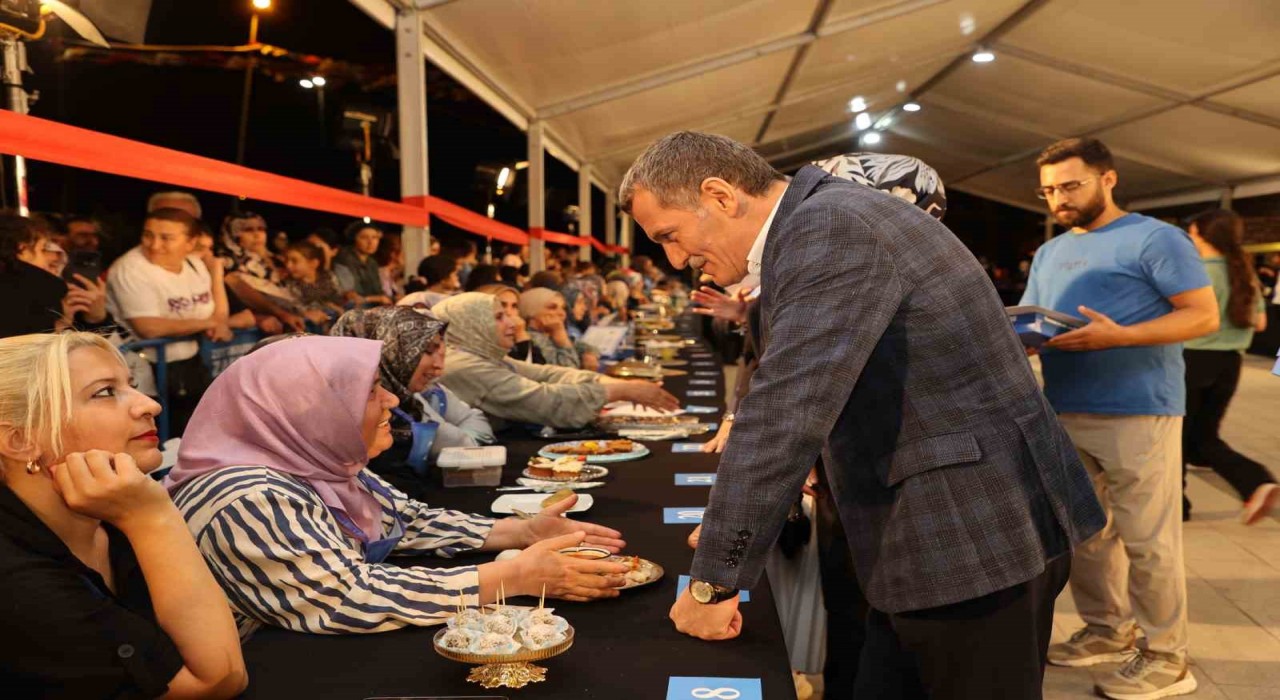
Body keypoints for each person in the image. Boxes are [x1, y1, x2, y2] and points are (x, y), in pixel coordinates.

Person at [622, 132, 1105, 699]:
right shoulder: (827, 219)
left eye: (670, 236)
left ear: (720, 195)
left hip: (966, 534)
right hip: (952, 526)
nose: (675, 260)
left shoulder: (827, 227)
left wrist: (712, 582)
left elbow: (785, 410)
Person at [164, 335, 631, 636]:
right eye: (368, 391)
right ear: (309, 410)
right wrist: (514, 576)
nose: (391, 398)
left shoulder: (309, 458)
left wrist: (518, 533)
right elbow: (346, 599)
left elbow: (405, 518)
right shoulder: (247, 496)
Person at [1021, 138, 1218, 699]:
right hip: (1064, 407)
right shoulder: (1050, 252)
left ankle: (1168, 657)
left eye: (1070, 185)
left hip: (1138, 410)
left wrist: (1121, 337)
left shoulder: (1155, 238)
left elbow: (1204, 316)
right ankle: (1107, 628)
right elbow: (1040, 318)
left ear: (1108, 179)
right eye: (1049, 189)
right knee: (1086, 534)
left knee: (1148, 542)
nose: (1059, 198)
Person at [0, 332, 246, 698]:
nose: (149, 404)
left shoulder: (110, 511)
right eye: (104, 392)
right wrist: (153, 518)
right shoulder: (15, 580)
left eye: (131, 385)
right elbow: (216, 679)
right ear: (20, 441)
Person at [432, 292, 677, 429]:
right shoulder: (463, 365)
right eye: (498, 317)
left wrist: (613, 383)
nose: (512, 323)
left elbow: (547, 373)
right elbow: (544, 400)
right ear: (471, 325)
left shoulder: (477, 354)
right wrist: (620, 389)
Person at [1182, 209, 1276, 524]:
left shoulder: (1195, 273)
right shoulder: (1243, 272)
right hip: (1230, 364)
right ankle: (1255, 481)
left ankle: (1177, 504)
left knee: (1180, 437)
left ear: (1198, 233)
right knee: (1203, 437)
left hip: (1193, 360)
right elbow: (1259, 322)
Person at [331, 307, 494, 488]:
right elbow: (464, 446)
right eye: (427, 351)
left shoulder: (410, 394)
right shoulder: (372, 411)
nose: (440, 366)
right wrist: (468, 445)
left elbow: (474, 421)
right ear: (391, 348)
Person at [106, 208, 233, 437]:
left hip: (189, 363)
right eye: (148, 235)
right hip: (144, 369)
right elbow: (149, 328)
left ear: (190, 242)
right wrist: (208, 323)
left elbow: (218, 315)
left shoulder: (195, 265)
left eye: (166, 238)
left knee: (199, 432)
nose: (154, 245)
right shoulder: (131, 269)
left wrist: (216, 276)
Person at [0, 212, 112, 338]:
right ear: (22, 250)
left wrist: (96, 318)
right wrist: (56, 326)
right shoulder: (44, 288)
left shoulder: (53, 293)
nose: (50, 260)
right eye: (43, 249)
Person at [218, 211, 305, 333]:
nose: (257, 235)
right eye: (248, 230)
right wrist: (281, 314)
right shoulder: (226, 262)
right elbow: (238, 287)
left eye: (261, 229)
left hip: (295, 321)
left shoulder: (277, 260)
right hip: (256, 329)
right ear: (233, 234)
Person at [519, 287, 598, 370]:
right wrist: (561, 336)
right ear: (531, 312)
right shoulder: (532, 339)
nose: (562, 313)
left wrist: (589, 353)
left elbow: (582, 345)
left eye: (563, 308)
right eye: (552, 307)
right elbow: (569, 371)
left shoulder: (549, 333)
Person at [283, 240, 347, 328]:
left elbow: (338, 297)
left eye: (294, 261)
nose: (288, 265)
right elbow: (296, 306)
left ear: (313, 263)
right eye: (286, 261)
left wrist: (334, 306)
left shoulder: (328, 277)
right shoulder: (289, 284)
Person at [335, 221, 394, 306]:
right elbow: (350, 294)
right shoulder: (345, 260)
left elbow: (377, 290)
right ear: (354, 239)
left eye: (374, 237)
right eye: (364, 237)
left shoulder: (372, 263)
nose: (370, 242)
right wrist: (378, 298)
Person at [376, 232, 406, 300]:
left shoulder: (391, 274)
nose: (404, 254)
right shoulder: (382, 273)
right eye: (402, 250)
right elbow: (387, 296)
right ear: (393, 254)